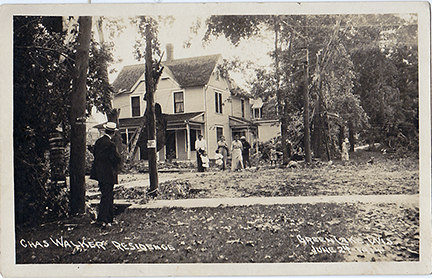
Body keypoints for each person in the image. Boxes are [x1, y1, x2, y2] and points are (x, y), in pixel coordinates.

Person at [90, 122, 122, 226]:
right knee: (107, 197)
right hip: (108, 174)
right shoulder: (111, 144)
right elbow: (115, 159)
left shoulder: (98, 142)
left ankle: (109, 218)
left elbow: (95, 154)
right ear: (113, 133)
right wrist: (119, 159)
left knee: (106, 195)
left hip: (99, 174)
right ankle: (103, 219)